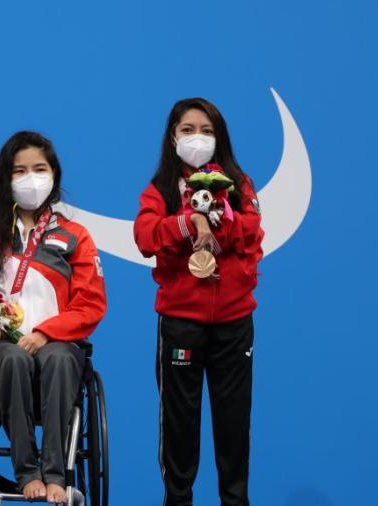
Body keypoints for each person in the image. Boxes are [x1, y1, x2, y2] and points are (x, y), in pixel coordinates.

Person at [0, 131, 107, 503]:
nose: (31, 178)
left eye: (39, 169)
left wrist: (45, 334)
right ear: (4, 179)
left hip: (56, 344)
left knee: (61, 359)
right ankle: (27, 471)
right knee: (14, 358)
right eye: (19, 171)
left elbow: (91, 305)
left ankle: (56, 474)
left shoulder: (75, 236)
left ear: (54, 175)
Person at [134, 98, 264, 505]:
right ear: (173, 137)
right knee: (179, 428)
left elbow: (252, 234)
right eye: (187, 129)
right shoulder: (159, 189)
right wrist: (187, 221)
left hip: (233, 322)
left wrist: (218, 220)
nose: (197, 137)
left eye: (206, 130)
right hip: (180, 322)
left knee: (233, 427)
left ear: (219, 137)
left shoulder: (239, 186)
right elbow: (145, 236)